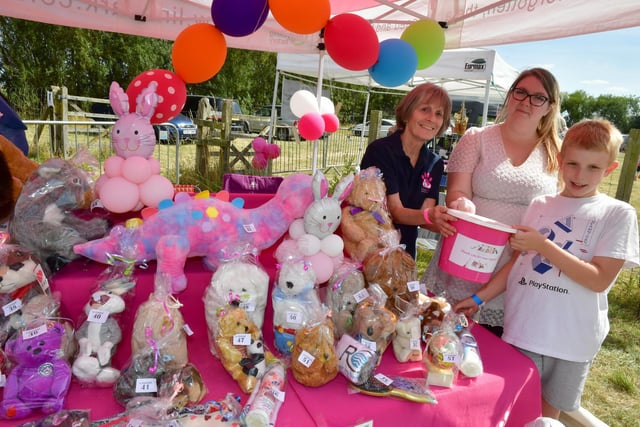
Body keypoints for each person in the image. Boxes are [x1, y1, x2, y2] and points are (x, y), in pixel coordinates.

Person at [454, 118, 639, 420]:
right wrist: (479, 299)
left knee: (545, 417)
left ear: (610, 169)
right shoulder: (541, 204)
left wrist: (543, 245)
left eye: (593, 168)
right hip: (522, 329)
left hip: (569, 340)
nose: (580, 175)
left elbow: (600, 280)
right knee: (508, 408)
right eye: (573, 164)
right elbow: (519, 261)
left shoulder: (618, 214)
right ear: (559, 161)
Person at [422, 68, 562, 337]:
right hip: (468, 254)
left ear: (549, 107)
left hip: (516, 265)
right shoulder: (477, 138)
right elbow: (457, 192)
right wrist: (462, 205)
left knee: (497, 347)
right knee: (445, 338)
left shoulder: (555, 153)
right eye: (520, 92)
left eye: (538, 97)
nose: (526, 101)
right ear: (509, 96)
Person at [359, 83, 455, 259]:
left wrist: (455, 224)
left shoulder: (435, 164)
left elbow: (425, 216)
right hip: (370, 249)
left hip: (405, 255)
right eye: (425, 109)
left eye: (439, 113)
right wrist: (431, 216)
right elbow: (395, 211)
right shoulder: (381, 151)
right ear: (407, 113)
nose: (431, 118)